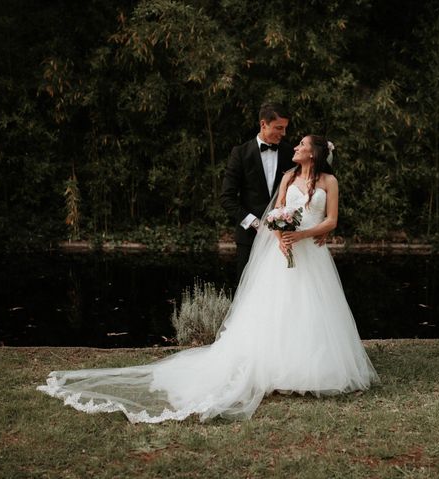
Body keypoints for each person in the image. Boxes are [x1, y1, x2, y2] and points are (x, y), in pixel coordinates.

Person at [37, 134, 379, 422]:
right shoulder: (288, 178)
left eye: (302, 144)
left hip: (312, 254)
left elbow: (331, 221)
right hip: (282, 254)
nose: (296, 147)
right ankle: (275, 368)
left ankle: (311, 370)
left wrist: (302, 236)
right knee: (276, 310)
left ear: (314, 153)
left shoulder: (329, 182)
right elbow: (274, 215)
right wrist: (279, 236)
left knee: (311, 310)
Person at [220, 102, 295, 281]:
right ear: (263, 124)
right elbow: (226, 198)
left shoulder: (290, 152)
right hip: (250, 238)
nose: (283, 133)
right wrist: (256, 223)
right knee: (247, 290)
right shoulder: (240, 153)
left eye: (285, 128)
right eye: (279, 128)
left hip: (283, 237)